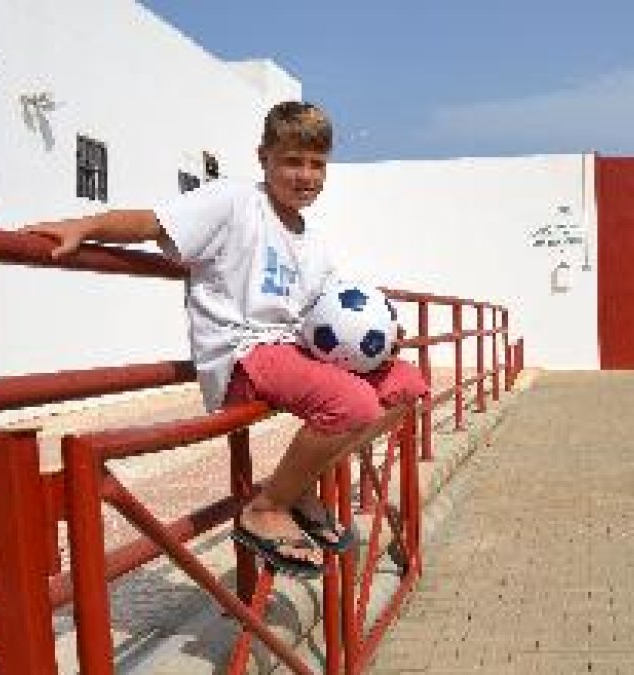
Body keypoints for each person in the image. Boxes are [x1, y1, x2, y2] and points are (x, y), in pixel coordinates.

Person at [22, 101, 428, 577]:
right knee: (354, 402)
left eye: (317, 164)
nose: (305, 175)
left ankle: (299, 487)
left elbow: (327, 312)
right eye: (291, 161)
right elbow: (153, 222)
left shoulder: (314, 243)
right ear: (264, 159)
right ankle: (267, 508)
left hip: (291, 351)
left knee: (406, 383)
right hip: (242, 353)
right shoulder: (234, 201)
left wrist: (379, 339)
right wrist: (84, 227)